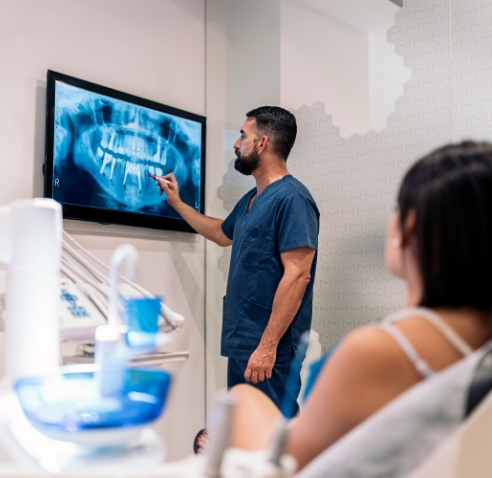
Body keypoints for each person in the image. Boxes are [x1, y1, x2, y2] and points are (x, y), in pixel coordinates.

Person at [228, 141, 492, 472]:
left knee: (242, 400)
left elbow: (293, 464)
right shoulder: (479, 341)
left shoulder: (380, 350)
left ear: (408, 228)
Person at [152, 106, 319, 411]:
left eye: (243, 135)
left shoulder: (293, 199)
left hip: (272, 347)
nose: (235, 143)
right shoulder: (252, 199)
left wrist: (267, 346)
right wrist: (177, 203)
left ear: (262, 143)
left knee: (270, 434)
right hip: (244, 341)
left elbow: (298, 276)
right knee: (243, 429)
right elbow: (220, 233)